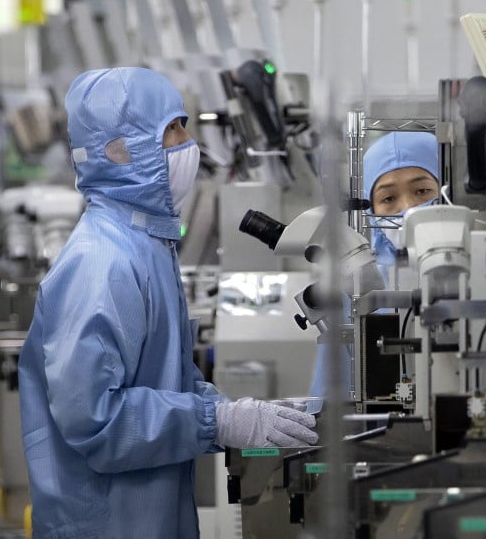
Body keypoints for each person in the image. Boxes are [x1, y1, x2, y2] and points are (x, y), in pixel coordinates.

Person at [18, 67, 318, 539]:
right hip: (105, 524)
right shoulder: (101, 264)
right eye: (170, 131)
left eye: (184, 125)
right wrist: (216, 421)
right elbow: (97, 419)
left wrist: (241, 415)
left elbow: (162, 381)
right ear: (120, 151)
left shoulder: (145, 244)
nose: (187, 144)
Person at [308, 131, 440, 403]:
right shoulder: (358, 289)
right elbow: (331, 405)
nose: (409, 209)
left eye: (422, 191)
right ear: (371, 211)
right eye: (389, 199)